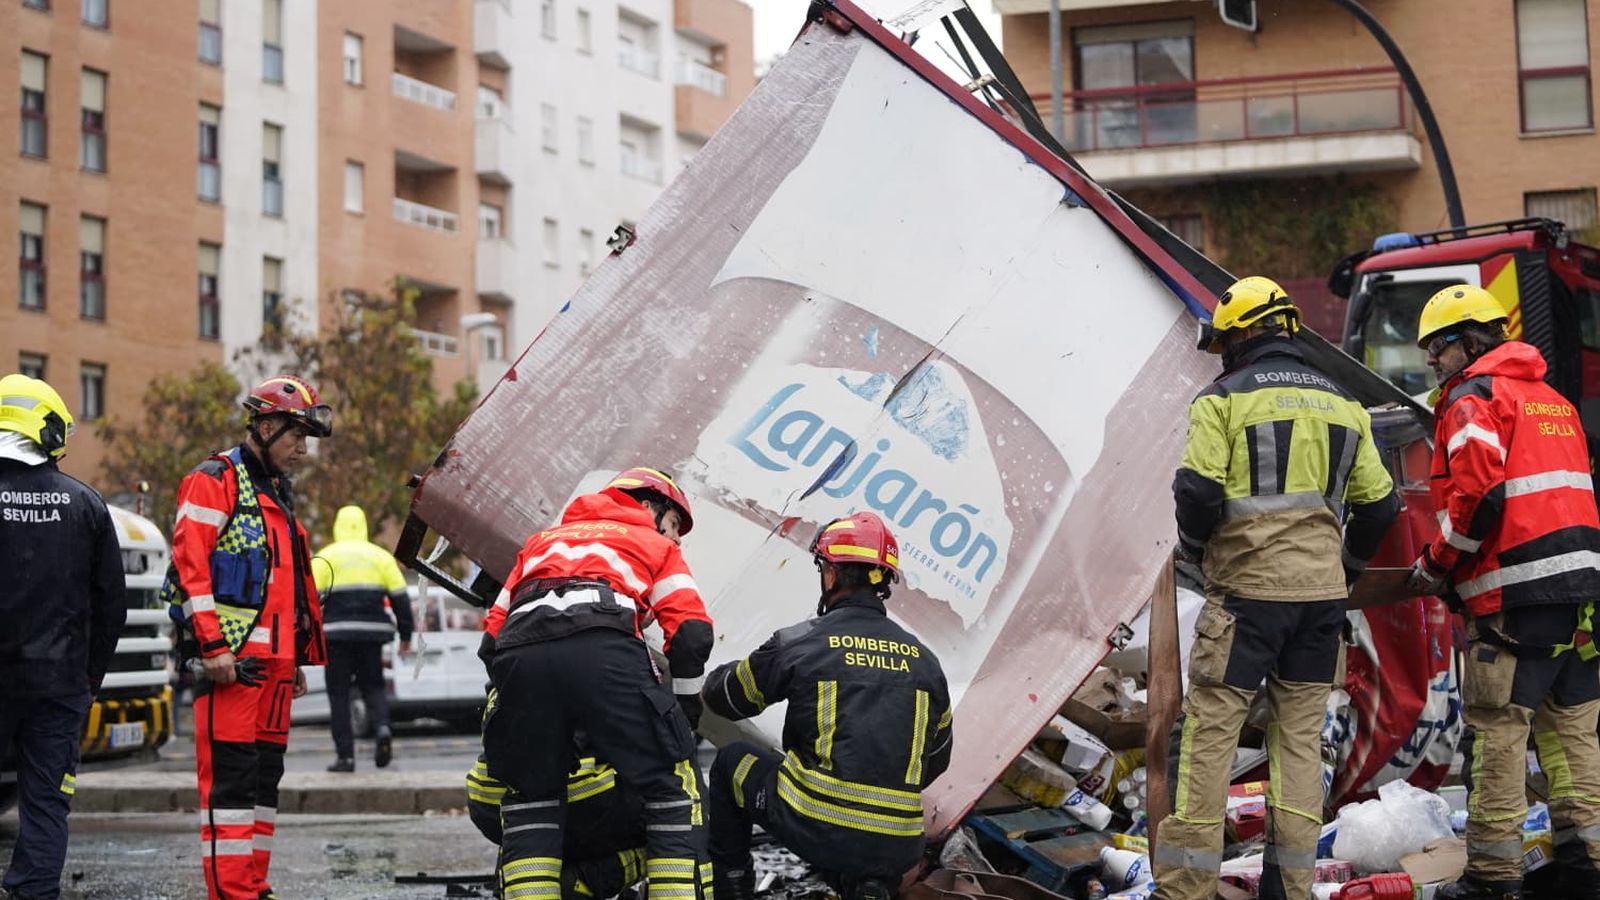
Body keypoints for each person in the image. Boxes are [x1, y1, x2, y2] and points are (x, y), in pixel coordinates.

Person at [1158, 277, 1399, 900]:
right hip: (1319, 604)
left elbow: (1197, 492)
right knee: (1297, 742)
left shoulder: (1223, 399)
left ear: (1241, 335)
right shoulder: (1346, 405)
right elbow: (1380, 506)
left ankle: (1185, 887)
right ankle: (1290, 887)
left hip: (1245, 596)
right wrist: (1344, 567)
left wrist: (1196, 548)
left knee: (1209, 733)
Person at [1407, 285, 1600, 900]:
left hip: (1514, 596)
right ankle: (1587, 865)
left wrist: (1436, 563)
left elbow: (1478, 494)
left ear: (1469, 340)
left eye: (1437, 347)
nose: (1432, 362)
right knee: (1571, 733)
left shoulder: (1473, 397)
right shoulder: (1553, 400)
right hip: (1579, 594)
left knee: (1497, 731)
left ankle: (1493, 878)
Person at [481, 467, 715, 900]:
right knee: (670, 787)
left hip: (520, 656)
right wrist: (684, 710)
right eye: (674, 525)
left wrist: (529, 710)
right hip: (605, 649)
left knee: (532, 798)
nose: (676, 538)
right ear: (647, 507)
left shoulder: (541, 543)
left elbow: (491, 639)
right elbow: (692, 633)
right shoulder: (652, 544)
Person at [702, 511, 953, 900]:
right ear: (884, 582)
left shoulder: (802, 642)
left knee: (733, 762)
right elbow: (936, 759)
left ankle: (731, 887)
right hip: (897, 845)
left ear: (831, 574)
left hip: (815, 824)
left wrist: (723, 663)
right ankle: (867, 885)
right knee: (858, 820)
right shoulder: (927, 663)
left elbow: (729, 699)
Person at [160, 375, 331, 900]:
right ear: (265, 425)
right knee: (231, 787)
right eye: (295, 436)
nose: (302, 449)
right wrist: (212, 648)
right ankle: (231, 893)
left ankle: (253, 885)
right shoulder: (216, 478)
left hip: (275, 667)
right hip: (232, 665)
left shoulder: (274, 491)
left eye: (306, 437)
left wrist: (296, 657)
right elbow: (191, 568)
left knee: (262, 786)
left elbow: (282, 582)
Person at [0, 375, 126, 900]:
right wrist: (88, 678)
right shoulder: (87, 504)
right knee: (47, 801)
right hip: (60, 685)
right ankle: (32, 890)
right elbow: (110, 606)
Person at [465, 691, 647, 900]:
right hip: (575, 791)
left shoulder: (513, 662)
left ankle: (515, 881)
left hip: (487, 798)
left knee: (528, 826)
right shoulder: (616, 664)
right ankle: (584, 880)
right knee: (674, 809)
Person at [312, 504, 415, 773]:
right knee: (374, 687)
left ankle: (345, 757)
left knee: (339, 695)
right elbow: (401, 600)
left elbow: (307, 600)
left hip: (336, 637)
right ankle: (382, 728)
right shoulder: (380, 557)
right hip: (372, 635)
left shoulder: (325, 557)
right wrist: (406, 635)